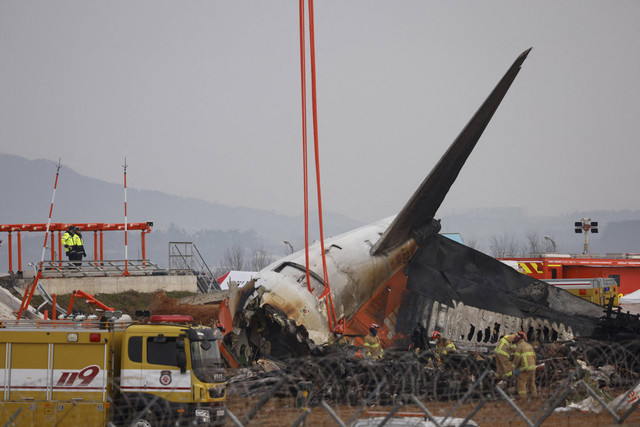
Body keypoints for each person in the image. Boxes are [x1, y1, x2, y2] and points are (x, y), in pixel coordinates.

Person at [512, 331, 537, 400]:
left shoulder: (519, 347)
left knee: (521, 383)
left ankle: (522, 399)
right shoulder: (529, 346)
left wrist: (514, 368)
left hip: (524, 368)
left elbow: (516, 360)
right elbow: (534, 357)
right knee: (532, 383)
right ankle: (534, 397)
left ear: (517, 342)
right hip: (532, 367)